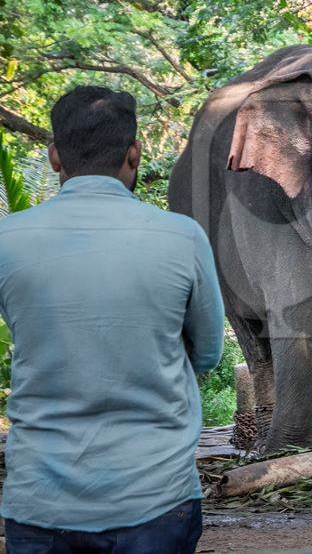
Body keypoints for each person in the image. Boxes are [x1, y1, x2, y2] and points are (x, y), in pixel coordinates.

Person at [0, 86, 224, 553]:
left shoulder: (8, 238)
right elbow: (207, 353)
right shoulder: (182, 237)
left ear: (55, 156)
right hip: (155, 497)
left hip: (40, 500)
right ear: (135, 152)